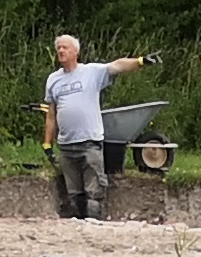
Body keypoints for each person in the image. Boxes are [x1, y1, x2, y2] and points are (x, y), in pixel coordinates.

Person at [42, 36, 149, 221]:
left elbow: (117, 66)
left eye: (65, 47)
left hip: (89, 142)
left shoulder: (91, 72)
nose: (60, 51)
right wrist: (47, 143)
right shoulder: (53, 79)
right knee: (74, 194)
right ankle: (77, 224)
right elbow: (51, 114)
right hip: (66, 146)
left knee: (94, 191)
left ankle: (94, 222)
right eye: (58, 48)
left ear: (76, 51)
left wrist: (140, 61)